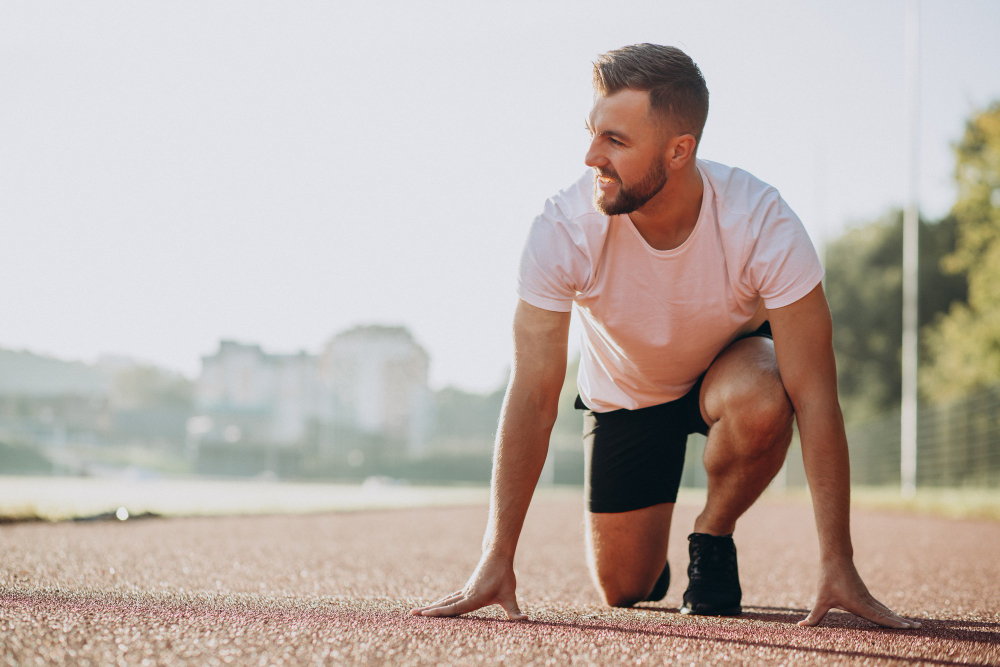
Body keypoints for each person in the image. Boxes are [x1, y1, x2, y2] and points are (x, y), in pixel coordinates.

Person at [410, 43, 919, 629]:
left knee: (770, 388)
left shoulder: (762, 222)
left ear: (680, 151)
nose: (590, 156)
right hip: (628, 392)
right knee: (624, 590)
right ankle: (650, 555)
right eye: (593, 132)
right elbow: (531, 393)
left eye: (616, 142)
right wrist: (495, 558)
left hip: (729, 371)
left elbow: (816, 395)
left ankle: (713, 530)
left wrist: (839, 561)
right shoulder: (562, 230)